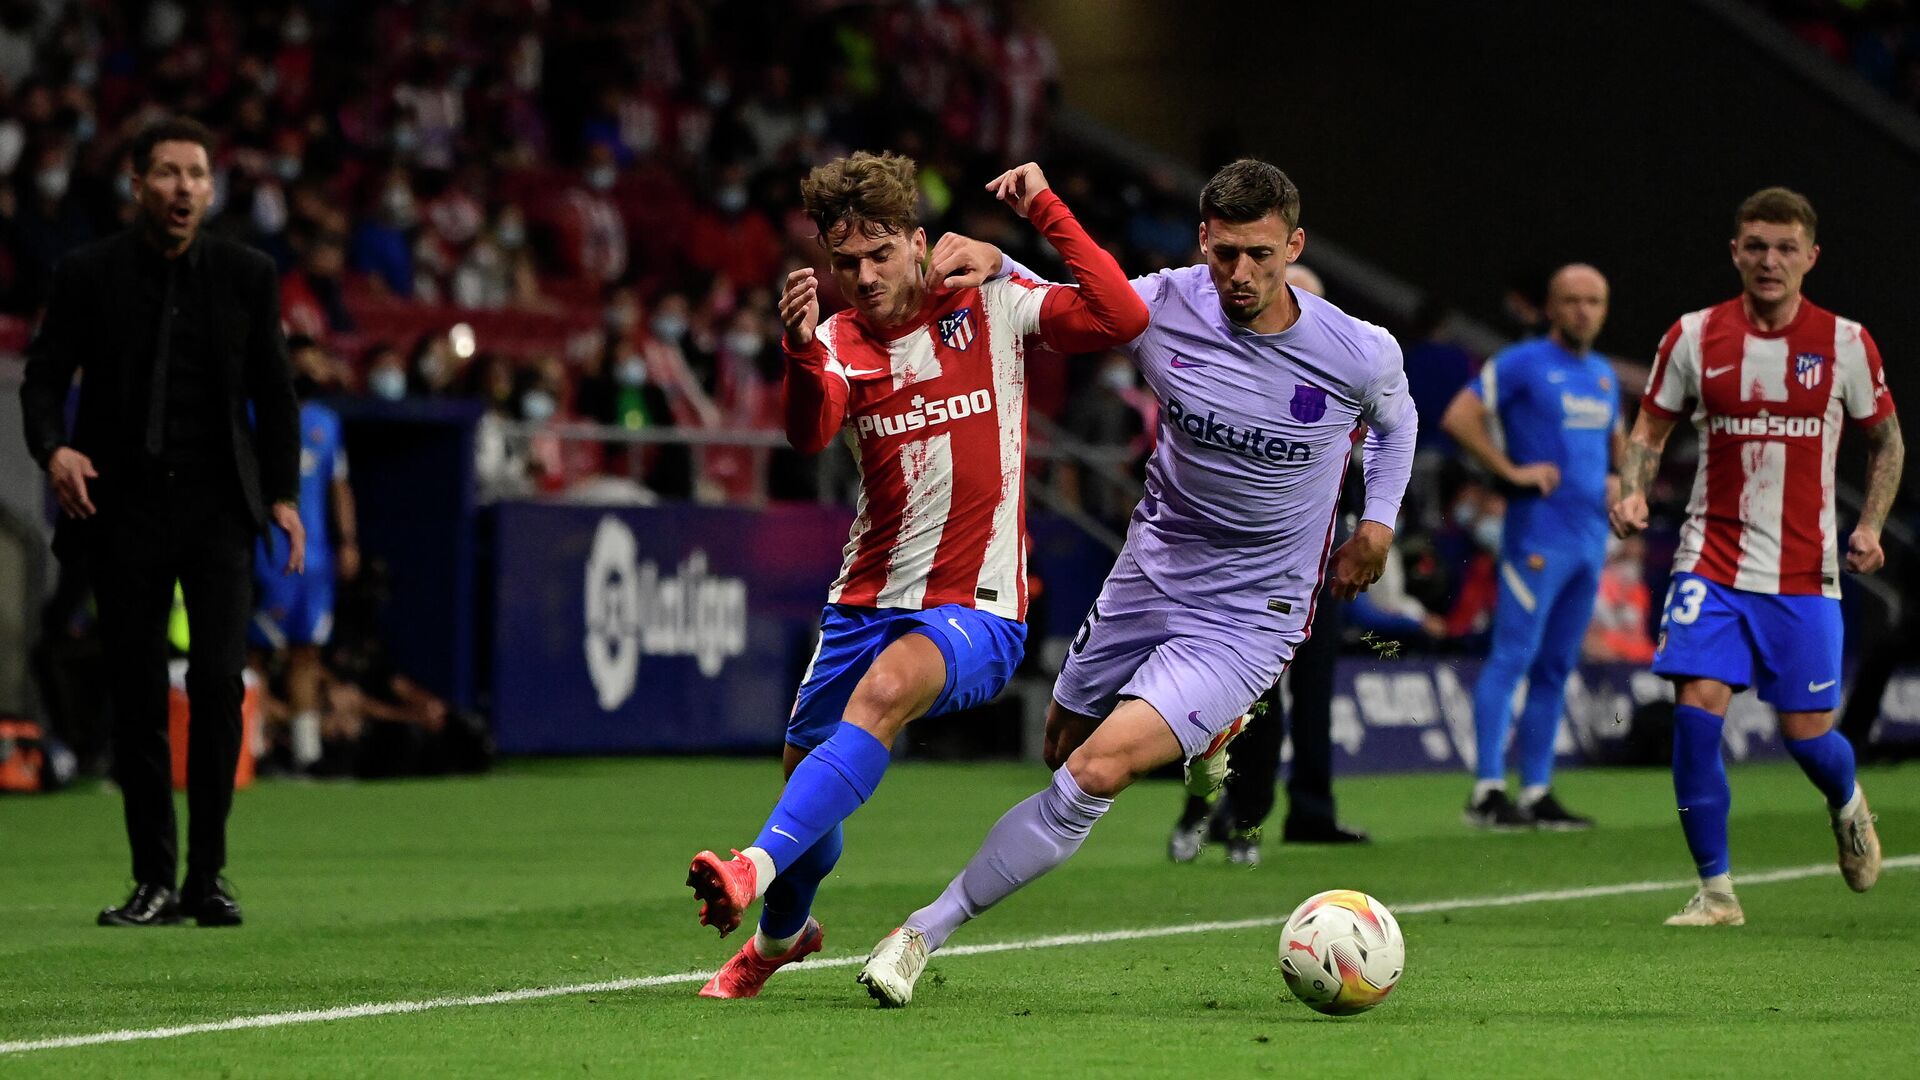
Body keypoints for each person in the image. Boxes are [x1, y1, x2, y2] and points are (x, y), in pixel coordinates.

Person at [858, 159, 1415, 1005]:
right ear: (1203, 241)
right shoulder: (1167, 301)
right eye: (1225, 253)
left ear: (1293, 247)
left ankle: (919, 933)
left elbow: (1397, 420)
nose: (1241, 274)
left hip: (1250, 614)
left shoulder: (1355, 351)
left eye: (1261, 255)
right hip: (1151, 570)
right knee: (1060, 745)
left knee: (1094, 772)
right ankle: (1206, 735)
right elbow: (1071, 299)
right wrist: (999, 265)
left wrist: (1377, 523)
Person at [682, 152, 1148, 999]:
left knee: (888, 690)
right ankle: (784, 934)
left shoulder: (989, 300)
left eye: (881, 255)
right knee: (807, 782)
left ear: (918, 241)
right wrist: (795, 350)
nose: (863, 277)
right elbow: (809, 433)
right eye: (845, 263)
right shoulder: (833, 341)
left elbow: (1118, 315)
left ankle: (749, 866)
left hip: (979, 607)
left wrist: (1037, 217)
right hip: (863, 600)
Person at [19, 117, 303, 927]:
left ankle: (208, 876)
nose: (185, 189)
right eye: (170, 173)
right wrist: (54, 450)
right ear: (137, 185)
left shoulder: (247, 274)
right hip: (124, 510)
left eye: (199, 175)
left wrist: (281, 496)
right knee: (136, 691)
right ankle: (153, 879)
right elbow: (42, 380)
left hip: (218, 510)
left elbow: (275, 392)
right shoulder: (87, 274)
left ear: (212, 190)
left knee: (217, 684)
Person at [1611, 187, 1902, 927]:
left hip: (1806, 573)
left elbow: (1887, 441)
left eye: (1785, 247)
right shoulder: (1693, 336)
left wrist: (1870, 525)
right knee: (1696, 713)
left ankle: (1846, 798)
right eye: (1756, 246)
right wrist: (1633, 492)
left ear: (1810, 256)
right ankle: (1716, 893)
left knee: (1807, 737)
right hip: (1710, 560)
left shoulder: (1845, 343)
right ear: (1735, 252)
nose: (1770, 261)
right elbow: (1648, 432)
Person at [1167, 261, 1374, 867]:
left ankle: (1268, 820)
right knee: (1237, 702)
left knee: (1304, 697)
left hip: (1314, 573)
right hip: (1234, 574)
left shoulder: (1339, 383)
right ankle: (1201, 810)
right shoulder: (1230, 383)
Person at [1441, 264, 1622, 830]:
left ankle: (1537, 790)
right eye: (1571, 301)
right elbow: (1458, 415)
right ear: (1550, 306)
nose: (1583, 311)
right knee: (1513, 658)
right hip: (1537, 534)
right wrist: (1510, 471)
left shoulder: (1602, 375)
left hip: (1588, 539)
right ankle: (1488, 790)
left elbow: (1618, 444)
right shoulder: (1522, 362)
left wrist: (1622, 479)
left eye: (1593, 301)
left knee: (1556, 666)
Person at [250, 336, 359, 773]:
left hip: (315, 560)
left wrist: (348, 540)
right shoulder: (256, 414)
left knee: (307, 653)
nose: (312, 368)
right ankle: (251, 749)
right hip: (268, 550)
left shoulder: (327, 422)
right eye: (304, 360)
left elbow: (339, 483)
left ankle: (306, 753)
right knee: (254, 653)